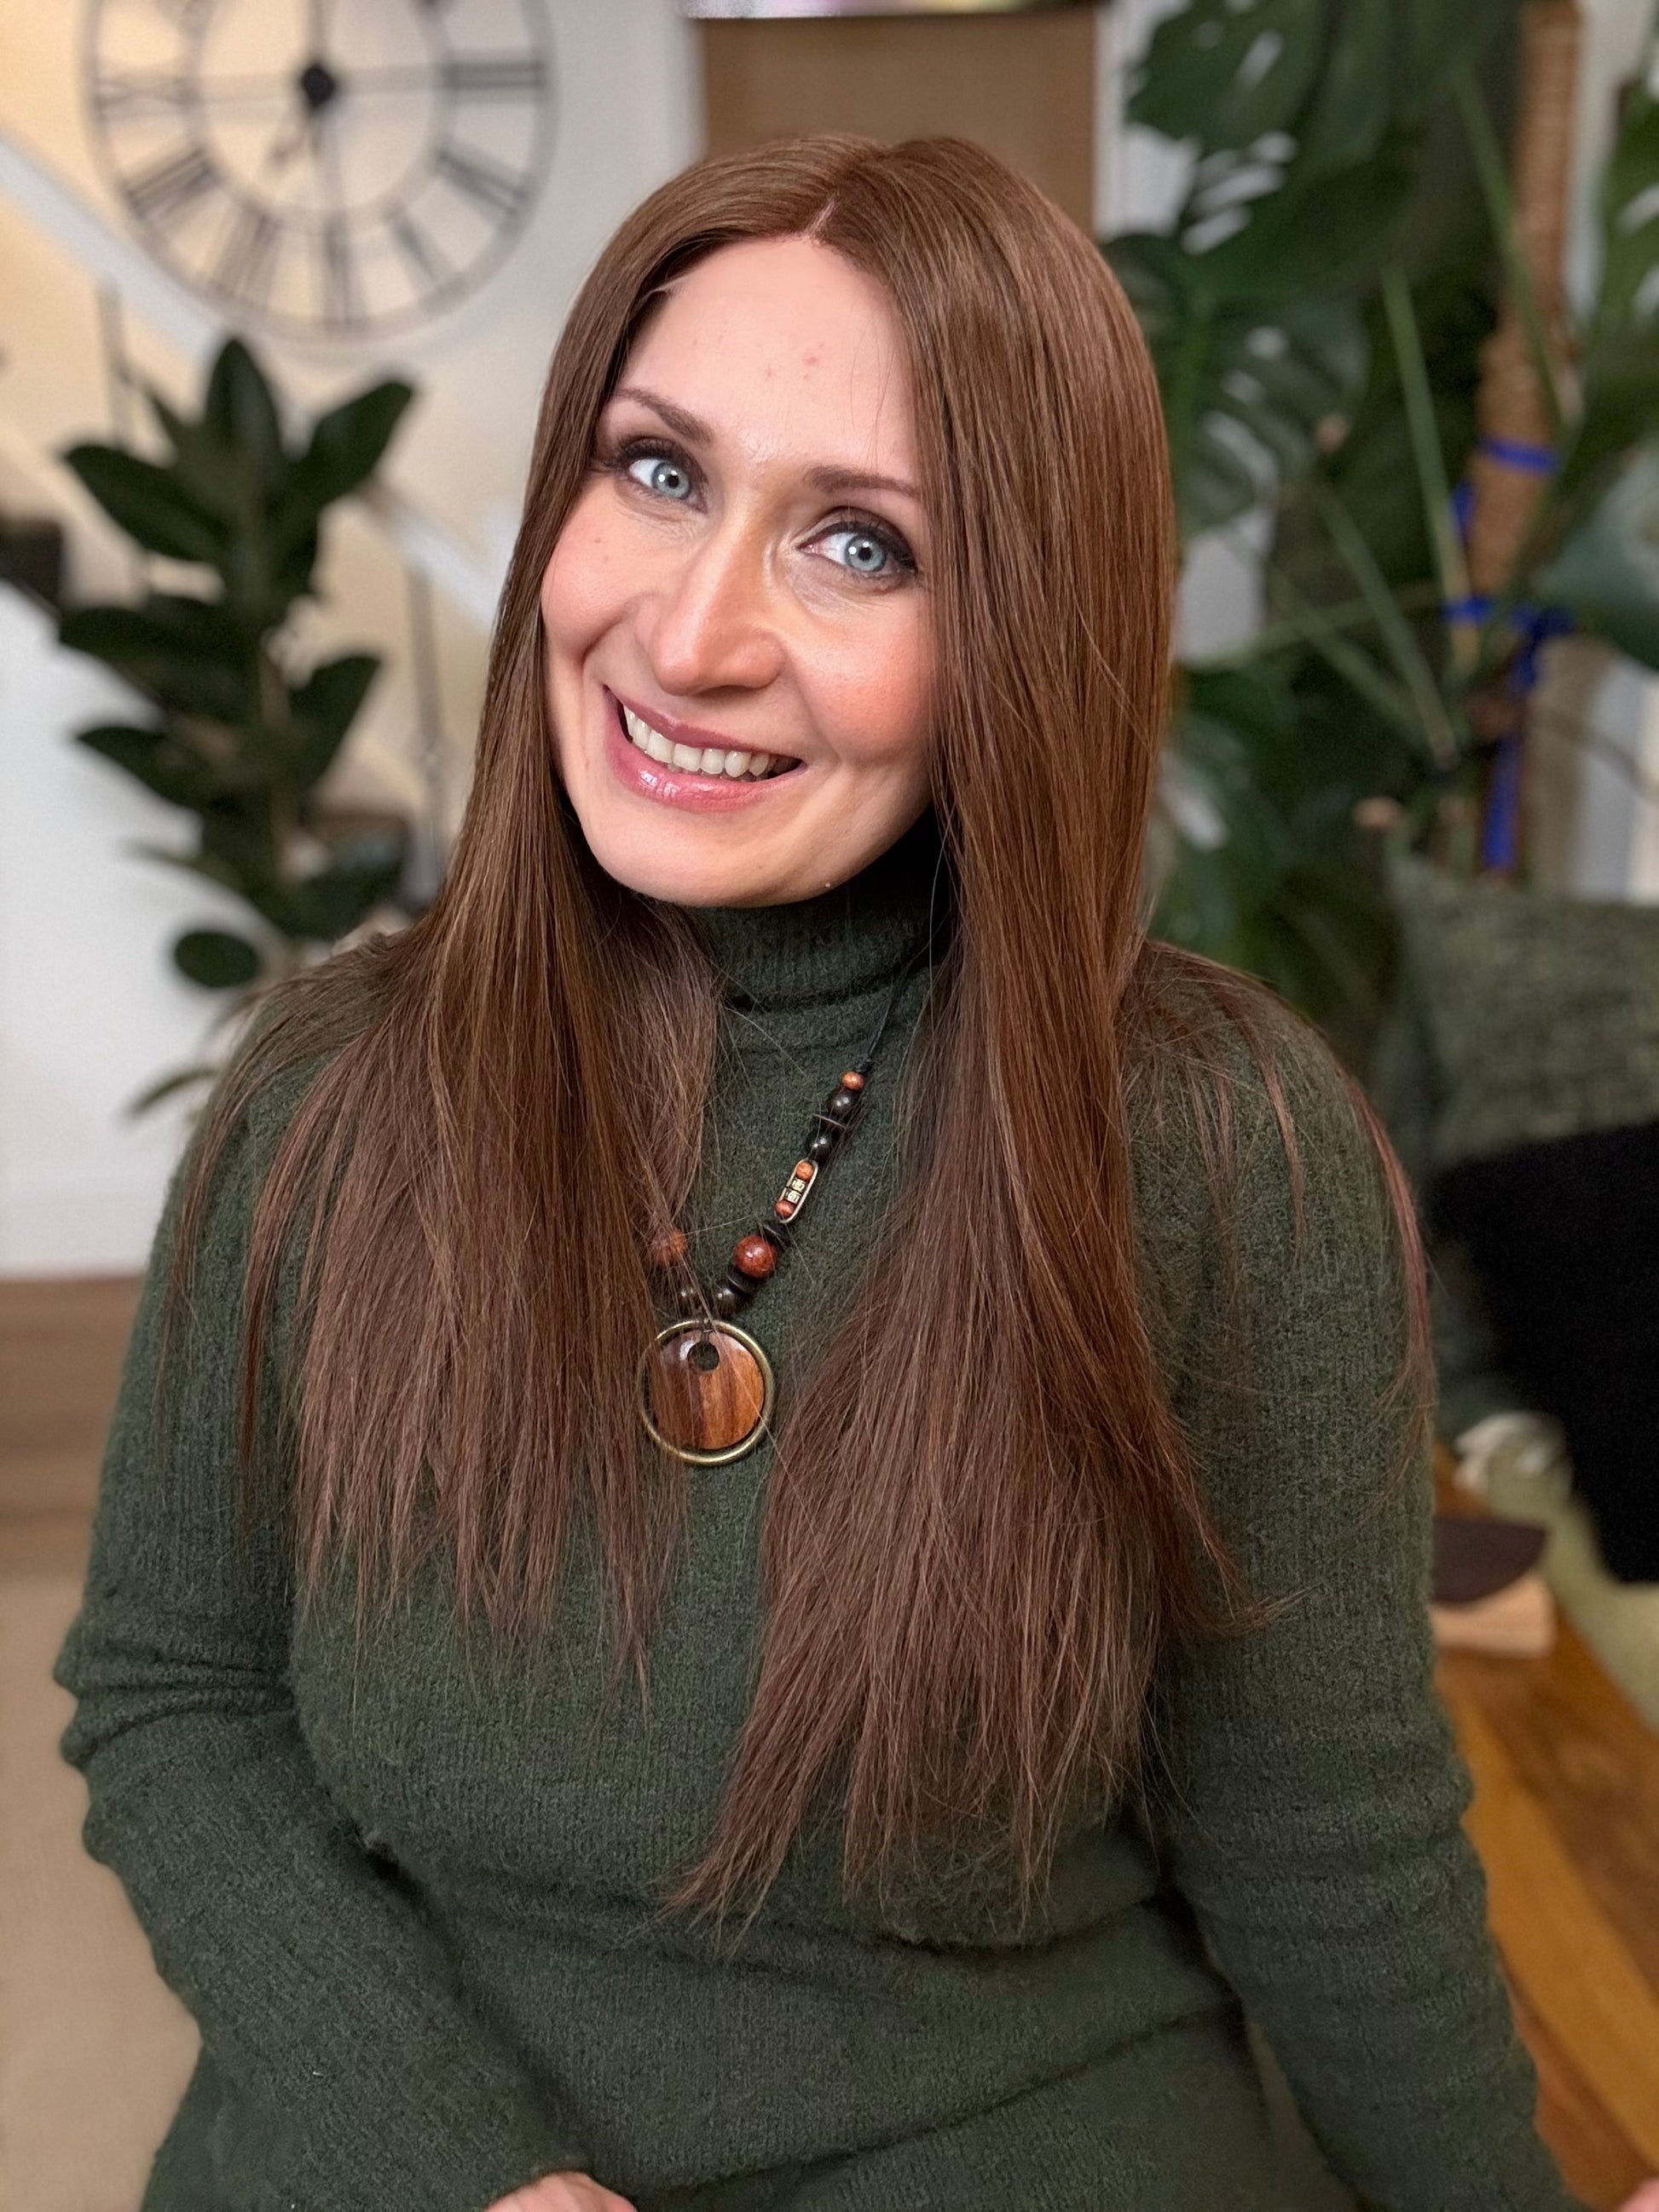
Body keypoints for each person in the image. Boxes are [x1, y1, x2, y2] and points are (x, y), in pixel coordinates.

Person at [54, 134, 1616, 2212]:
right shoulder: (324, 1098)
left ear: (1026, 631)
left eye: (863, 544)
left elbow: (1321, 1834)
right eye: (658, 470)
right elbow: (174, 1697)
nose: (692, 634)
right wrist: (471, 2173)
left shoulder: (1217, 1143)